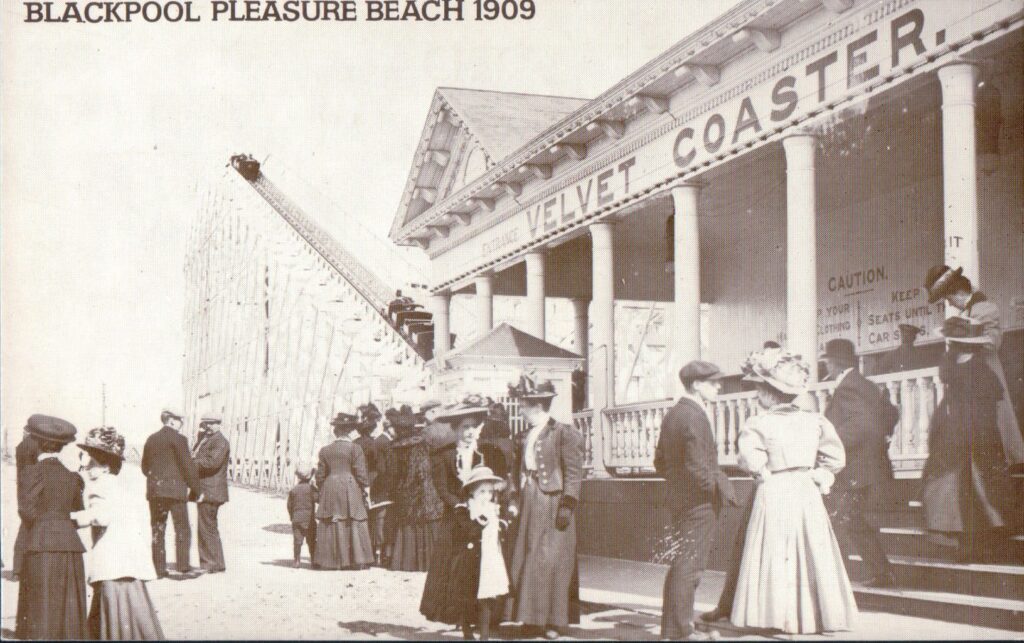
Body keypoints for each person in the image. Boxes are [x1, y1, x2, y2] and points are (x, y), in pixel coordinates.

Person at [730, 348, 857, 635]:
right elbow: (836, 458)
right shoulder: (815, 420)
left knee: (777, 550)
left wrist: (762, 472)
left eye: (758, 389)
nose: (756, 395)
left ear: (766, 393)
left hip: (775, 489)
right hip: (805, 488)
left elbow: (751, 460)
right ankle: (816, 617)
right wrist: (819, 475)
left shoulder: (758, 423)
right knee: (812, 549)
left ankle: (778, 615)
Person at [921, 317, 1019, 562]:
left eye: (953, 342)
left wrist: (973, 437)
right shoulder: (954, 367)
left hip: (977, 438)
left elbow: (986, 412)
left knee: (979, 492)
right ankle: (967, 545)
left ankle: (980, 545)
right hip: (954, 437)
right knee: (954, 492)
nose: (950, 347)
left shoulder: (980, 371)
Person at [655, 360, 737, 641]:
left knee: (683, 563)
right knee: (690, 566)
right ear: (697, 385)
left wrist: (680, 486)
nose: (719, 387)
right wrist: (713, 490)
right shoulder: (694, 415)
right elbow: (697, 466)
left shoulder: (674, 414)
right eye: (714, 383)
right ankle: (679, 632)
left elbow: (660, 462)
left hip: (680, 500)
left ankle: (675, 628)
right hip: (698, 503)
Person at [505, 374, 584, 641]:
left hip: (552, 502)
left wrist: (568, 505)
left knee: (550, 561)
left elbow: (574, 472)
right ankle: (530, 618)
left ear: (537, 405)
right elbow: (515, 472)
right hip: (530, 500)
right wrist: (514, 499)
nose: (521, 409)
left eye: (524, 404)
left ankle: (551, 620)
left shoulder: (563, 433)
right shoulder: (523, 435)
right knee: (527, 558)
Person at [924, 264, 1024, 470]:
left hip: (984, 374)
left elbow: (991, 341)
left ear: (958, 293)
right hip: (968, 378)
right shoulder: (968, 312)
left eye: (948, 297)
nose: (949, 303)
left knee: (993, 424)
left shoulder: (984, 309)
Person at [72, 426, 165, 640]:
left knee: (114, 610)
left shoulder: (100, 486)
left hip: (113, 560)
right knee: (133, 614)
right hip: (128, 560)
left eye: (91, 461)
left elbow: (101, 516)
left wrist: (72, 518)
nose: (87, 466)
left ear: (105, 465)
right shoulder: (117, 485)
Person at [421, 395, 504, 626]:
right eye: (464, 427)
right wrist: (459, 506)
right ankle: (455, 614)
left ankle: (482, 615)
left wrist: (486, 508)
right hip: (455, 516)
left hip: (482, 517)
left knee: (482, 564)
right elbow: (442, 488)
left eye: (473, 427)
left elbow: (495, 484)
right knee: (455, 564)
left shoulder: (487, 453)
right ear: (456, 429)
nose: (469, 432)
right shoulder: (443, 455)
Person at [820, 339, 897, 588]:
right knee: (854, 522)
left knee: (844, 522)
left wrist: (828, 444)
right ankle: (882, 573)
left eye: (827, 362)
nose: (826, 367)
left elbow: (860, 425)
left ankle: (835, 581)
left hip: (855, 470)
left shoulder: (848, 388)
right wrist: (882, 439)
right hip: (868, 467)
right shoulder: (867, 385)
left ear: (834, 363)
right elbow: (891, 413)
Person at [15, 414, 88, 640]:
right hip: (70, 544)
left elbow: (26, 510)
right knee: (67, 604)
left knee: (44, 601)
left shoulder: (32, 472)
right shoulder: (73, 476)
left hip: (41, 542)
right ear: (61, 446)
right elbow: (77, 508)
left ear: (37, 443)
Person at [435, 466, 511, 641]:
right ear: (472, 492)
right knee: (467, 598)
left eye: (490, 492)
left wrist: (502, 523)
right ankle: (467, 632)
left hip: (490, 560)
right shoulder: (465, 509)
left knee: (487, 597)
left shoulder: (494, 509)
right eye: (482, 491)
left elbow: (502, 526)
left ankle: (484, 636)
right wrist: (480, 522)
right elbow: (468, 530)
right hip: (470, 561)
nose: (486, 496)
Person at [386, 406, 445, 571]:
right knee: (426, 523)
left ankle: (406, 562)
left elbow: (391, 473)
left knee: (407, 525)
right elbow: (423, 470)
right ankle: (427, 562)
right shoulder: (421, 443)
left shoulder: (393, 446)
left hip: (403, 491)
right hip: (424, 490)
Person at [141, 408, 199, 577]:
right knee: (182, 528)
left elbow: (145, 467)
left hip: (155, 492)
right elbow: (187, 466)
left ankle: (159, 569)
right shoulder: (179, 439)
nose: (181, 424)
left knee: (158, 528)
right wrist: (196, 489)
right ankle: (182, 566)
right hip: (175, 491)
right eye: (180, 420)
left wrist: (158, 480)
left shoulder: (151, 439)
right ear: (172, 420)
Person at [314, 413, 374, 570]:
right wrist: (366, 490)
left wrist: (323, 489)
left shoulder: (325, 450)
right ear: (349, 431)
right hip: (350, 485)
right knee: (353, 519)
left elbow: (320, 475)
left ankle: (331, 560)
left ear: (336, 431)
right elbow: (360, 473)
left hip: (330, 485)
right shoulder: (355, 448)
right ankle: (355, 559)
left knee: (332, 520)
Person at [193, 412, 230, 574]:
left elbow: (211, 463)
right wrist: (200, 437)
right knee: (208, 526)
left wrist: (190, 462)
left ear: (217, 424)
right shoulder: (209, 439)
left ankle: (211, 563)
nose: (206, 427)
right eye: (205, 424)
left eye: (209, 424)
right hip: (210, 490)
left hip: (210, 491)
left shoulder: (220, 442)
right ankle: (216, 562)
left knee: (206, 527)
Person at [12, 422, 42, 579]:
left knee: (24, 526)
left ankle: (18, 568)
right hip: (33, 489)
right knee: (28, 526)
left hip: (22, 489)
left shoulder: (21, 446)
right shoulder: (35, 445)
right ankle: (21, 568)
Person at [288, 464, 318, 568]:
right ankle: (314, 561)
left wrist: (292, 516)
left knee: (297, 541)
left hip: (297, 519)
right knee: (312, 541)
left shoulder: (294, 490)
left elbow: (289, 506)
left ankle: (296, 560)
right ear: (310, 477)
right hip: (309, 519)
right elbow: (318, 499)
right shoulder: (311, 489)